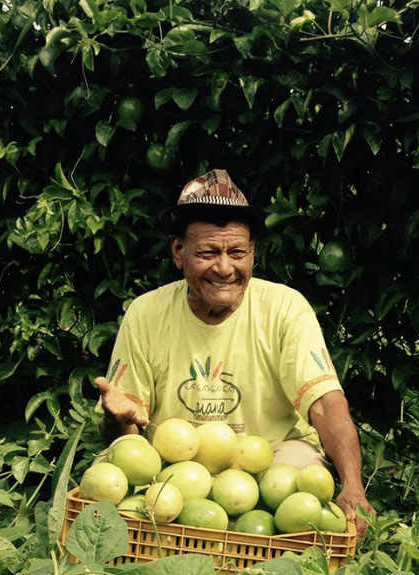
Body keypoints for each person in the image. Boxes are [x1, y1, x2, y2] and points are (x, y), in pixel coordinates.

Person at [95, 170, 374, 536]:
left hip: (273, 459)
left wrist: (353, 485)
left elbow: (324, 403)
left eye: (237, 252)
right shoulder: (146, 313)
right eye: (208, 252)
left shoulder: (285, 308)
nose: (225, 268)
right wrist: (118, 419)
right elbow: (129, 435)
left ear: (252, 252)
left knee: (299, 489)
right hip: (178, 466)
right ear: (179, 252)